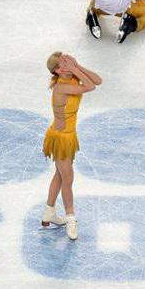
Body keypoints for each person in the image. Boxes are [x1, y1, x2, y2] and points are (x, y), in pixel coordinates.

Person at [40, 52, 102, 240]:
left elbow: (97, 81)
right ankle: (71, 218)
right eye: (64, 63)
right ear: (58, 71)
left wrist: (77, 66)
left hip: (69, 135)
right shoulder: (62, 87)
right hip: (60, 138)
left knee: (60, 174)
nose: (68, 64)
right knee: (68, 178)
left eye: (68, 61)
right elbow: (90, 87)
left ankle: (49, 212)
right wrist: (75, 69)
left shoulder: (73, 77)